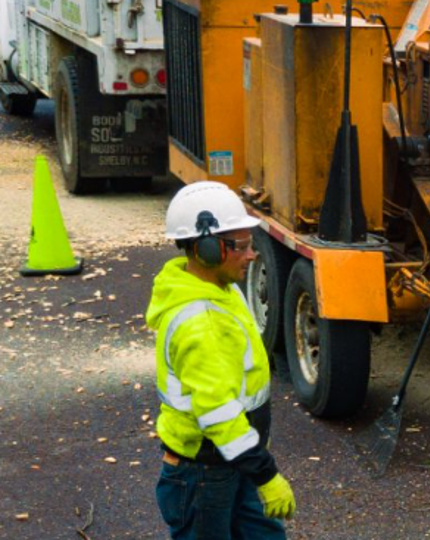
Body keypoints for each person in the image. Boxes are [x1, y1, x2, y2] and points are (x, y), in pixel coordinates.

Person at [147, 181, 296, 538]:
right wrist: (266, 475)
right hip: (204, 473)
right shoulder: (201, 324)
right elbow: (218, 413)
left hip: (232, 458)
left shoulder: (222, 290)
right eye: (241, 247)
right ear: (207, 249)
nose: (252, 255)